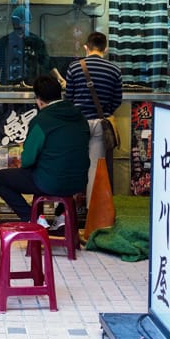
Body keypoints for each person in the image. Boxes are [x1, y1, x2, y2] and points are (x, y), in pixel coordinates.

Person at [0, 74, 90, 223]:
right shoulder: (80, 117)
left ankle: (33, 219)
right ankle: (61, 219)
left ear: (38, 100)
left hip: (50, 182)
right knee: (60, 177)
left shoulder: (41, 121)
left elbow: (27, 160)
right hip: (79, 181)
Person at [63, 31, 123, 218]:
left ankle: (67, 211)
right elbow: (117, 100)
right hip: (100, 123)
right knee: (95, 170)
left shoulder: (74, 67)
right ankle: (92, 214)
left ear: (86, 47)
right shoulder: (114, 70)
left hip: (77, 123)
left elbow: (68, 98)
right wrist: (104, 111)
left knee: (72, 165)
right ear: (106, 48)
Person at [0, 6, 51, 87]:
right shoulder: (4, 41)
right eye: (15, 23)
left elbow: (47, 63)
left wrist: (59, 78)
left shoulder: (36, 41)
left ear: (27, 23)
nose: (18, 25)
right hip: (8, 86)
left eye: (21, 23)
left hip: (31, 85)